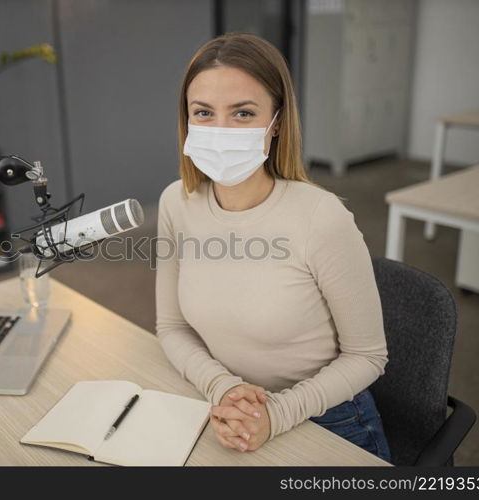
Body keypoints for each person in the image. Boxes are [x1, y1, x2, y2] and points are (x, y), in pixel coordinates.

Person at [155, 32, 391, 462]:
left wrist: (276, 415)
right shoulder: (177, 202)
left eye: (243, 113)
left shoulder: (321, 217)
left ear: (276, 122)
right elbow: (172, 328)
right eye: (203, 112)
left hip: (327, 418)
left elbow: (368, 356)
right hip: (226, 406)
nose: (220, 130)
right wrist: (223, 386)